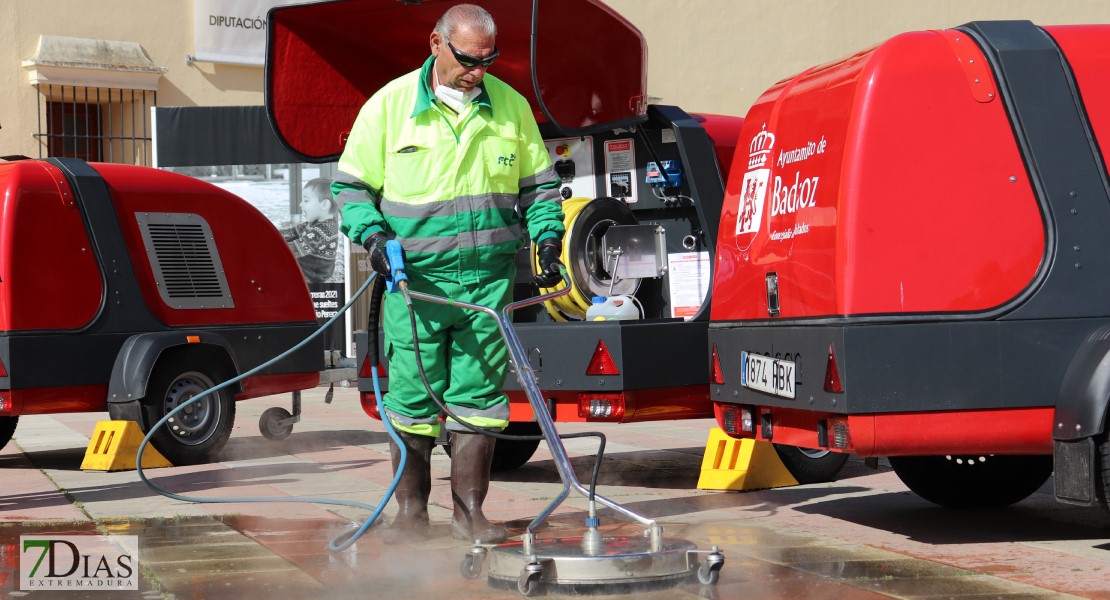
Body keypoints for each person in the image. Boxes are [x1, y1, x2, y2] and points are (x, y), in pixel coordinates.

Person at [331, 4, 565, 544]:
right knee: (412, 401)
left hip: (486, 285)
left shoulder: (511, 109)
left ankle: (469, 516)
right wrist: (374, 236)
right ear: (436, 42)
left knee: (479, 400)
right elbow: (350, 189)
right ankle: (411, 515)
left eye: (487, 61)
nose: (477, 72)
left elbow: (538, 188)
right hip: (415, 287)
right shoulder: (389, 108)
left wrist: (548, 234)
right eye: (466, 59)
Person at [281, 178, 340, 284]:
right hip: (305, 266)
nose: (300, 204)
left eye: (306, 201)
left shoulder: (326, 230)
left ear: (324, 205)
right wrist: (269, 232)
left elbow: (294, 249)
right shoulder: (314, 222)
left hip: (312, 275)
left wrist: (269, 246)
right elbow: (291, 232)